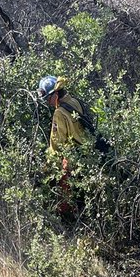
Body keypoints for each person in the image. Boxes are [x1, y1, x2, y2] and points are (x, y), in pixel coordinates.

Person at [36, 75, 90, 216]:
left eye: (48, 98)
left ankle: (66, 222)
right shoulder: (75, 102)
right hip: (87, 154)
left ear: (55, 95)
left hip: (71, 158)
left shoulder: (59, 113)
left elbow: (57, 143)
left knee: (65, 197)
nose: (47, 102)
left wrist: (48, 164)